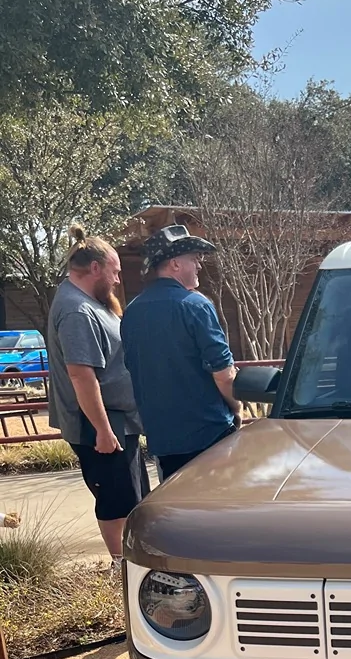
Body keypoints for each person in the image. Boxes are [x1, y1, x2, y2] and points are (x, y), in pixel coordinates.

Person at [47, 231, 149, 565]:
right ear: (95, 268)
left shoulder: (89, 304)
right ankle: (122, 567)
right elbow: (81, 375)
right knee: (116, 501)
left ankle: (132, 566)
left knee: (132, 497)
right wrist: (103, 430)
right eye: (114, 271)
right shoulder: (77, 311)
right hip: (101, 425)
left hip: (118, 419)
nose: (118, 279)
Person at [120, 224, 241, 480]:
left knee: (177, 512)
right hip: (209, 435)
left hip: (163, 441)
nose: (199, 265)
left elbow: (134, 369)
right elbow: (223, 373)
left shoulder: (131, 312)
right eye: (194, 259)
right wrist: (236, 407)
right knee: (219, 512)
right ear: (175, 264)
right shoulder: (196, 306)